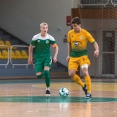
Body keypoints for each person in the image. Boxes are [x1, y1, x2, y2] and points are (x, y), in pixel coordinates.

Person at [66, 17, 99, 99]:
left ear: (79, 25)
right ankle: (83, 86)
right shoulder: (70, 33)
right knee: (71, 74)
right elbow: (69, 44)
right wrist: (68, 55)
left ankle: (89, 92)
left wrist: (97, 50)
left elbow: (94, 43)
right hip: (73, 56)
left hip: (83, 56)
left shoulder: (85, 33)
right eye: (73, 26)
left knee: (84, 71)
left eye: (75, 26)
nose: (74, 28)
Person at [28, 22, 59, 96]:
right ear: (40, 28)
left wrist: (55, 56)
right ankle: (46, 75)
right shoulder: (36, 37)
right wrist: (30, 57)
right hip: (38, 58)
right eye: (43, 28)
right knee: (38, 75)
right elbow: (31, 47)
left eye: (46, 28)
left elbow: (56, 47)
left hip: (47, 57)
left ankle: (48, 89)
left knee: (46, 71)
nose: (45, 29)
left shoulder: (50, 37)